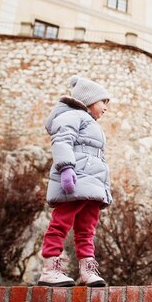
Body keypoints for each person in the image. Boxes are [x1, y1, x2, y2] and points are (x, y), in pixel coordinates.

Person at [37, 75, 113, 287]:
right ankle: (51, 269)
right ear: (88, 100)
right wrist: (66, 168)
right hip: (76, 180)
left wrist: (103, 190)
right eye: (103, 102)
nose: (105, 109)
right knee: (61, 223)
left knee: (87, 229)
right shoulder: (71, 116)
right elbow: (62, 140)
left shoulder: (91, 123)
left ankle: (87, 271)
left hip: (92, 186)